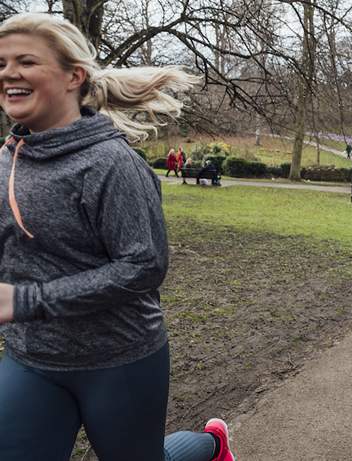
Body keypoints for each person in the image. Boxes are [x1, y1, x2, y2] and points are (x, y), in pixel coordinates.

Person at [0, 13, 234, 461]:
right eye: (1, 62)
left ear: (74, 76)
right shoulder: (9, 157)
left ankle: (212, 444)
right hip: (32, 356)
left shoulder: (111, 163)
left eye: (26, 61)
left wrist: (25, 301)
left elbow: (143, 266)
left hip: (119, 357)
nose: (9, 72)